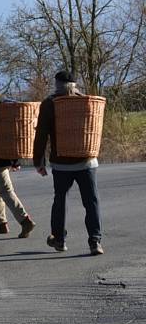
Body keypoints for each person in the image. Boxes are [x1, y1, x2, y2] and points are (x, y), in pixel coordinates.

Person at [33, 71, 104, 255]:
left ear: (57, 84)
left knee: (60, 200)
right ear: (75, 85)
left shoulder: (50, 103)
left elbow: (41, 134)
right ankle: (95, 241)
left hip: (61, 163)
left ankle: (59, 240)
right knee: (91, 201)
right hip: (87, 161)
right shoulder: (87, 101)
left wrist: (38, 161)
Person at [0, 79, 38, 238]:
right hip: (7, 154)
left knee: (5, 190)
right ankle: (0, 223)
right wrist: (14, 159)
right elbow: (14, 133)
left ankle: (25, 220)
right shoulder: (4, 104)